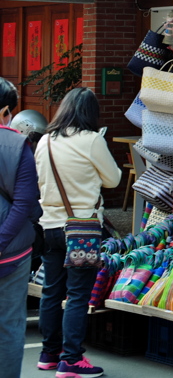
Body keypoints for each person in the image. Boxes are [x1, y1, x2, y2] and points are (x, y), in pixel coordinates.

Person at [35, 88, 120, 378]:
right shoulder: (93, 140)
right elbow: (113, 179)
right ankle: (71, 360)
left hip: (49, 227)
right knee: (77, 296)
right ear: (90, 113)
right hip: (82, 229)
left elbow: (39, 180)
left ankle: (49, 354)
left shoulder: (45, 140)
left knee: (50, 292)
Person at [0, 78, 41, 378]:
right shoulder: (17, 145)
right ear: (5, 111)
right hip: (11, 256)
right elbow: (24, 203)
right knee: (9, 325)